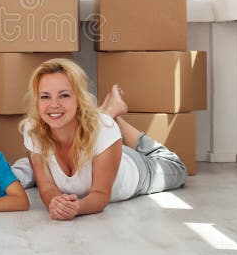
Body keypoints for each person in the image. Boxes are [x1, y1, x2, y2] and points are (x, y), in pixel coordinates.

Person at [15, 58, 187, 221]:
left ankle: (114, 117)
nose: (54, 104)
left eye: (64, 95)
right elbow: (46, 187)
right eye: (45, 96)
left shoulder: (103, 129)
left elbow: (100, 195)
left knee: (176, 168)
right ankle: (109, 115)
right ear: (37, 101)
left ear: (79, 99)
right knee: (103, 127)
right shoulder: (33, 130)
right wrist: (56, 203)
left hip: (135, 170)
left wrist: (77, 208)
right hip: (103, 147)